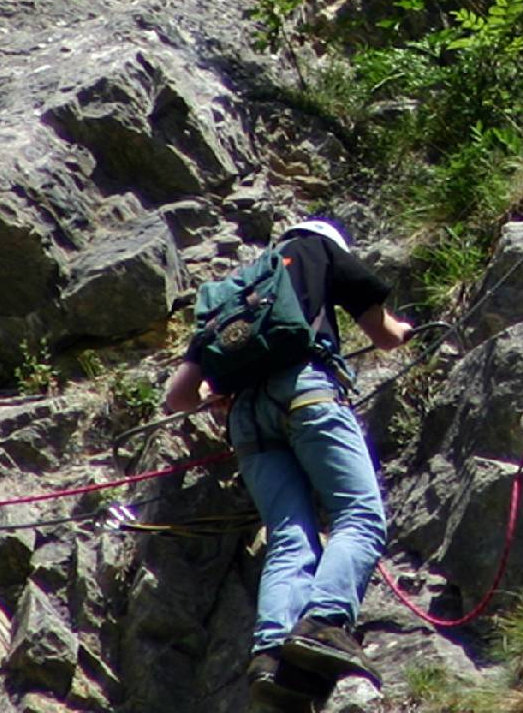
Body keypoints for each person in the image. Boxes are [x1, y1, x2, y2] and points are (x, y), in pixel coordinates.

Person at [162, 216, 414, 710]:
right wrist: (403, 332)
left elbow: (177, 396)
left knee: (289, 534)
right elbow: (381, 334)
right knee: (359, 517)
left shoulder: (236, 293)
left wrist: (222, 397)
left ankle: (273, 654)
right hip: (307, 392)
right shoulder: (318, 252)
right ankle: (325, 622)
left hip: (246, 418)